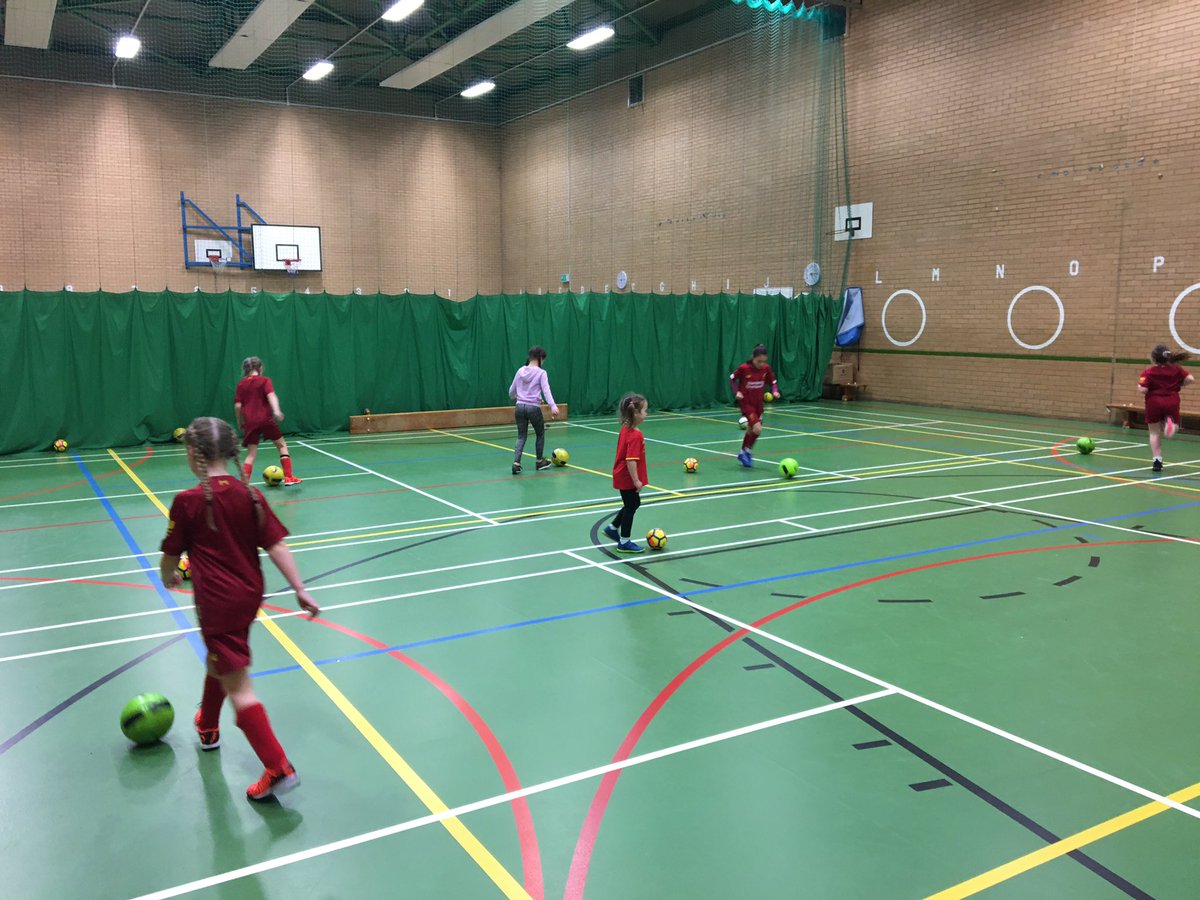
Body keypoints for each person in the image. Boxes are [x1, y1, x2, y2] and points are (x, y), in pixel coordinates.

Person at [159, 416, 320, 801]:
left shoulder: (188, 500)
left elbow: (170, 553)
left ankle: (277, 766)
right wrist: (300, 588)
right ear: (231, 452)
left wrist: (169, 576)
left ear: (194, 454)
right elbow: (276, 544)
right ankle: (208, 724)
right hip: (249, 597)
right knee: (222, 659)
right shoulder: (250, 495)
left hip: (217, 603)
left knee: (240, 688)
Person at [235, 356, 301, 485]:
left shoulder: (241, 384)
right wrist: (276, 410)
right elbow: (271, 395)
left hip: (250, 422)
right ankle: (289, 477)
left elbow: (238, 406)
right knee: (281, 445)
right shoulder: (264, 380)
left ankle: (244, 484)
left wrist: (240, 421)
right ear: (260, 368)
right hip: (265, 419)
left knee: (251, 454)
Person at [603, 393, 649, 553]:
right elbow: (631, 460)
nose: (646, 414)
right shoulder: (636, 435)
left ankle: (612, 527)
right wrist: (636, 480)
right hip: (627, 477)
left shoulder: (626, 428)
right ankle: (624, 541)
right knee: (631, 506)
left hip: (621, 474)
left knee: (632, 504)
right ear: (635, 414)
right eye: (644, 411)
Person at [1138, 344, 1193, 472]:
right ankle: (1170, 425)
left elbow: (1144, 390)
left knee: (1154, 432)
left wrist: (1140, 386)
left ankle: (1157, 460)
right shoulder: (1176, 369)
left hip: (1154, 402)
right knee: (1174, 426)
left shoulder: (1148, 372)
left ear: (1153, 358)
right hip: (1172, 400)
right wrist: (1178, 384)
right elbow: (1190, 379)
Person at [509, 346, 559, 475]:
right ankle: (539, 461)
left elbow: (511, 392)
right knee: (540, 433)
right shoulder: (541, 373)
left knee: (521, 436)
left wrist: (519, 397)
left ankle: (516, 463)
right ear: (539, 358)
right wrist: (553, 406)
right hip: (533, 408)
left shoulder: (520, 371)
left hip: (519, 407)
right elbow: (546, 390)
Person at [729, 344, 779, 467]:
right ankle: (745, 451)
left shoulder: (765, 368)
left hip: (758, 404)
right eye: (759, 361)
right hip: (747, 404)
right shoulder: (744, 368)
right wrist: (737, 392)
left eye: (763, 361)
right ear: (753, 357)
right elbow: (732, 378)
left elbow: (773, 381)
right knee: (757, 429)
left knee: (751, 430)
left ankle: (744, 452)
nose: (761, 364)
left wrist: (775, 390)